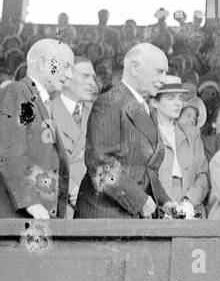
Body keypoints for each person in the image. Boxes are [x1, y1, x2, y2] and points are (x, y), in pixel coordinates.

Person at [76, 43, 171, 219]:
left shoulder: (147, 108)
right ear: (135, 68)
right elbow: (100, 163)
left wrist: (165, 202)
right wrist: (139, 200)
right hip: (105, 217)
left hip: (130, 216)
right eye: (160, 72)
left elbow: (147, 171)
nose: (165, 79)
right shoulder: (109, 102)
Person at [0, 38, 73, 219]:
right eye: (65, 66)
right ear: (42, 63)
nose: (70, 75)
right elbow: (9, 153)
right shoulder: (18, 92)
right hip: (21, 216)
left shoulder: (42, 100)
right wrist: (30, 201)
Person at [151, 75, 209, 218]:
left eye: (180, 98)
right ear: (154, 102)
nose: (178, 103)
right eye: (171, 98)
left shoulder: (192, 133)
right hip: (159, 211)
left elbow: (203, 175)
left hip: (192, 209)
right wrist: (166, 205)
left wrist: (189, 203)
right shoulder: (147, 132)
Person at [47, 56, 97, 217]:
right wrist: (70, 188)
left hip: (92, 203)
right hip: (58, 204)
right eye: (85, 76)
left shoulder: (98, 114)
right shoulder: (47, 111)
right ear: (66, 79)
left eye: (93, 77)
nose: (93, 83)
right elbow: (42, 160)